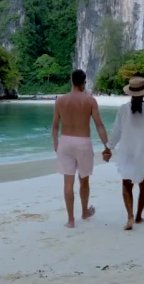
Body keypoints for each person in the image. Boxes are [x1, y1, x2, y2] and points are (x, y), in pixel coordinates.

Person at [102, 76, 144, 230]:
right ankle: (138, 216)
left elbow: (116, 131)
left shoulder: (123, 109)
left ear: (130, 93)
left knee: (126, 184)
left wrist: (108, 147)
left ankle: (129, 216)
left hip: (126, 152)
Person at [52, 69, 110, 228]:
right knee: (84, 180)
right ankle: (84, 211)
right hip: (83, 143)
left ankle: (70, 220)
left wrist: (56, 143)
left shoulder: (60, 100)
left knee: (67, 182)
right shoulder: (90, 101)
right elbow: (99, 125)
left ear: (71, 81)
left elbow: (55, 126)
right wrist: (107, 146)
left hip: (65, 142)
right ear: (84, 83)